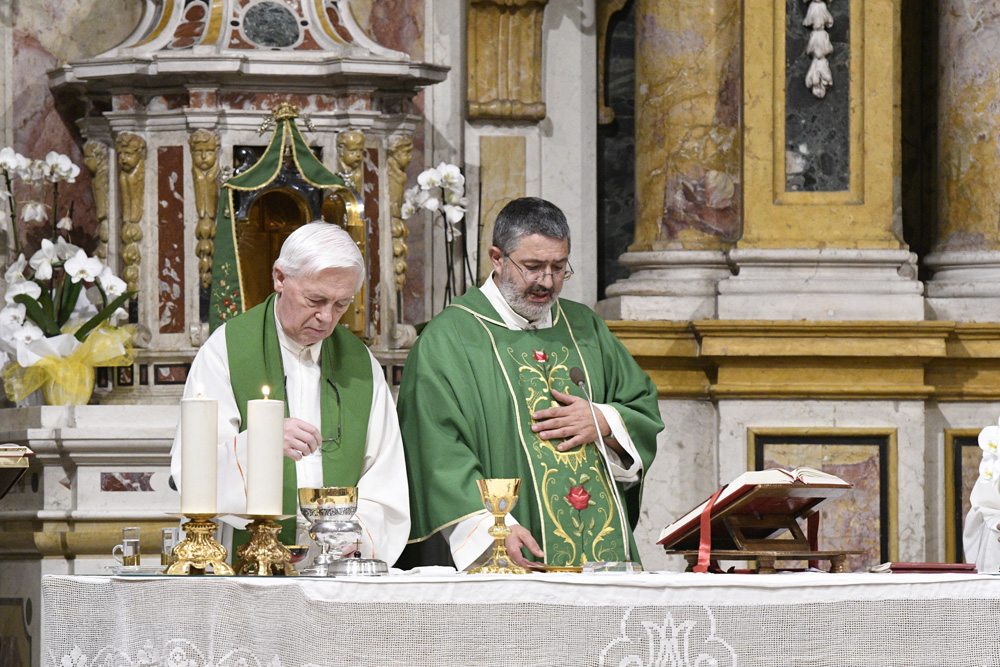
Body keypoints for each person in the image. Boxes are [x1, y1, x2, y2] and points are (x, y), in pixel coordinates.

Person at [398, 197, 663, 570]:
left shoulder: (584, 327)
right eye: (533, 267)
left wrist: (604, 421)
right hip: (509, 551)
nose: (547, 282)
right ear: (496, 258)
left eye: (559, 267)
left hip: (603, 560)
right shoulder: (449, 339)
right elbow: (435, 448)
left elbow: (641, 406)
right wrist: (491, 526)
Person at [170, 221, 409, 565]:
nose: (327, 318)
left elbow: (384, 478)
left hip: (333, 566)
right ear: (280, 278)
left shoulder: (361, 365)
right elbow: (192, 472)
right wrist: (259, 444)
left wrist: (356, 532)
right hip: (245, 562)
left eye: (342, 304)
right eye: (316, 299)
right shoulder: (226, 351)